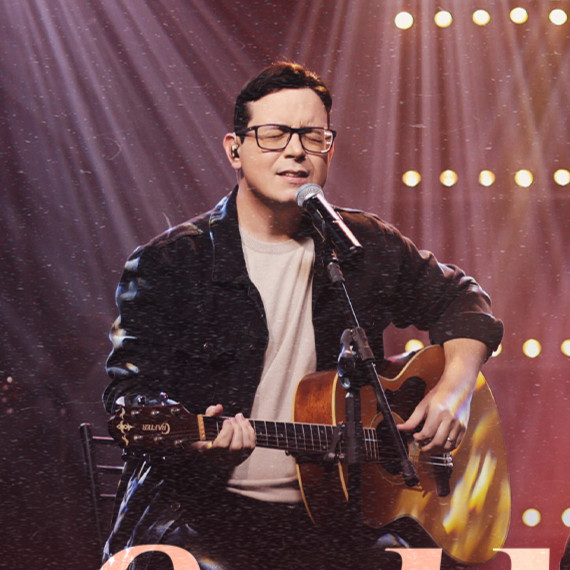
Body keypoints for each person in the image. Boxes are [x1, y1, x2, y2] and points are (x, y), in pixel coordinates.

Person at [102, 61, 503, 570]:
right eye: (274, 135)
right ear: (235, 149)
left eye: (313, 136)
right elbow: (128, 398)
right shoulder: (172, 263)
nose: (295, 150)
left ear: (329, 150)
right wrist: (198, 443)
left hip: (344, 519)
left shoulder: (363, 247)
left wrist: (455, 393)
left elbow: (463, 300)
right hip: (202, 518)